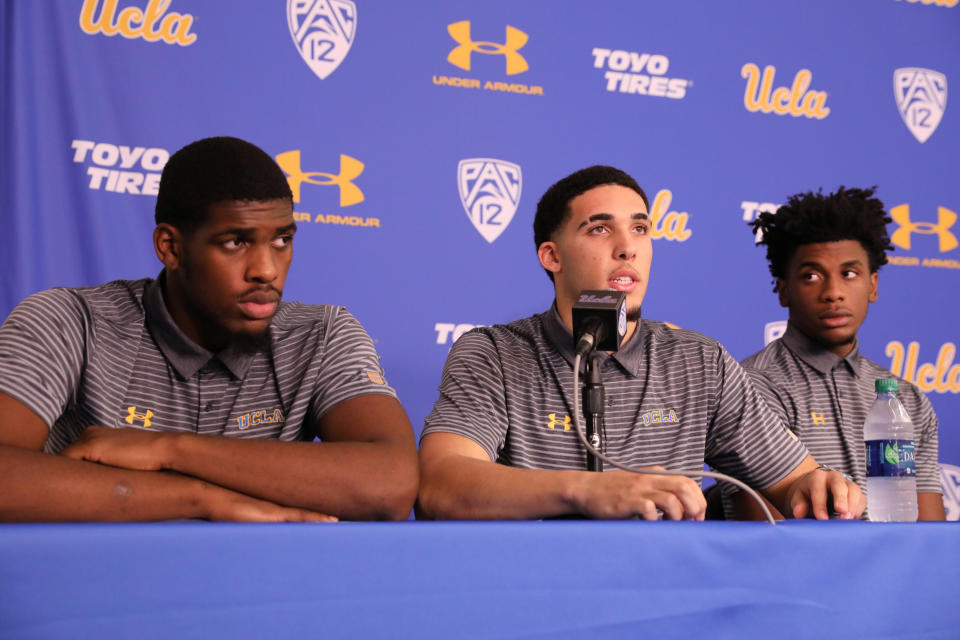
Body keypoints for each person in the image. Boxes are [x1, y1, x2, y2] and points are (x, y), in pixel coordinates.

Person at [0, 136, 418, 522]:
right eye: (235, 242)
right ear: (171, 247)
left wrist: (168, 448)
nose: (266, 270)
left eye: (282, 240)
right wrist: (202, 498)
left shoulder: (321, 335)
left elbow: (391, 484)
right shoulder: (70, 321)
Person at [417, 165, 864, 521]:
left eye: (640, 229)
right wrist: (587, 491)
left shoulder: (700, 361)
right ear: (551, 256)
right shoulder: (493, 353)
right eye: (599, 229)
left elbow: (793, 483)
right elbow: (441, 485)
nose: (627, 248)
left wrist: (819, 487)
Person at [723, 186, 944, 520]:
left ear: (872, 286)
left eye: (849, 274)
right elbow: (765, 538)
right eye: (811, 276)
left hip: (897, 572)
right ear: (784, 291)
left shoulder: (907, 399)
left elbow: (929, 536)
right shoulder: (749, 388)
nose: (833, 293)